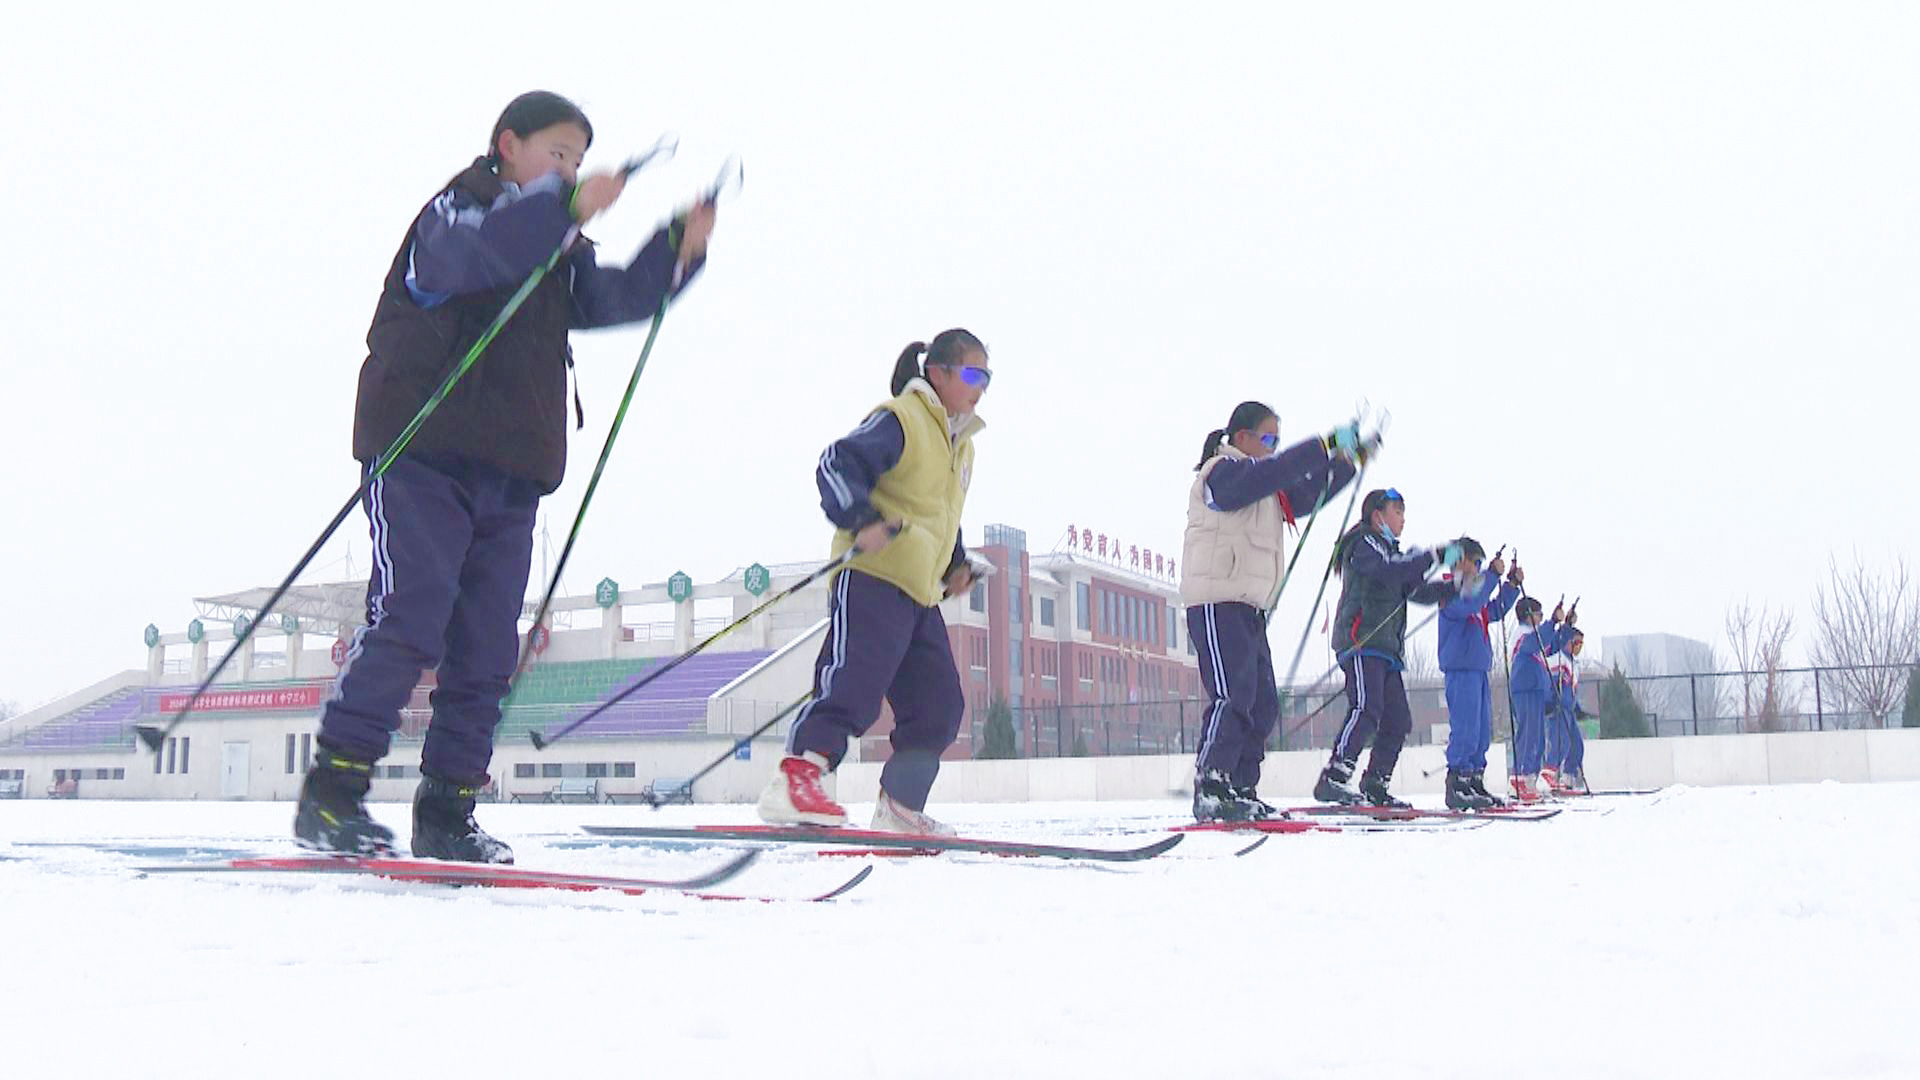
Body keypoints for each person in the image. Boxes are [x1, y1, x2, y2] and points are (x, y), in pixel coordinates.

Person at [296, 91, 716, 862]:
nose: (568, 169)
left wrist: (673, 251)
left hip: (511, 470)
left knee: (488, 644)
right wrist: (565, 208)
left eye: (578, 161)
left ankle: (448, 810)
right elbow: (470, 261)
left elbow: (611, 295)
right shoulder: (459, 212)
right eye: (555, 154)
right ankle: (333, 793)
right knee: (412, 614)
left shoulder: (555, 241)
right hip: (420, 450)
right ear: (507, 146)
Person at [757, 330, 992, 835]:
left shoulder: (961, 445)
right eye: (973, 373)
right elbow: (837, 463)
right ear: (939, 372)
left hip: (920, 594)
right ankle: (795, 781)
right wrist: (861, 518)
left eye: (987, 377)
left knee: (939, 703)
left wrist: (956, 566)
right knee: (854, 684)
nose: (982, 386)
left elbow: (939, 514)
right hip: (871, 577)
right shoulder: (902, 418)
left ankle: (899, 807)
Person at [1180, 402, 1366, 822]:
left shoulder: (1263, 486)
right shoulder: (1221, 474)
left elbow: (1304, 496)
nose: (1273, 448)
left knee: (1263, 702)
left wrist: (1346, 463)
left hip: (1250, 605)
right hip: (1216, 599)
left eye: (1277, 441)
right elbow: (1274, 473)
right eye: (1268, 439)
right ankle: (1211, 781)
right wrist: (1325, 444)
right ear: (1240, 438)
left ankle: (1240, 785)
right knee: (1233, 696)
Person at [1313, 489, 1464, 808]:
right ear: (1378, 515)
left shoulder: (1393, 554)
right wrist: (1433, 556)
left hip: (1386, 649)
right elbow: (1388, 570)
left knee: (1397, 720)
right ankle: (1335, 776)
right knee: (1367, 707)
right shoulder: (1364, 543)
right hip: (1362, 641)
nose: (1403, 519)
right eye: (1398, 512)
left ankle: (1376, 781)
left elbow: (1416, 590)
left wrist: (1456, 587)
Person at [1435, 539, 1521, 810]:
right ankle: (1458, 781)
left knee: (1482, 730)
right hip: (1461, 669)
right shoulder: (1451, 591)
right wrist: (1492, 577)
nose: (1479, 570)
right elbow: (1472, 604)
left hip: (1478, 667)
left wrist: (1510, 587)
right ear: (1459, 561)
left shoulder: (1474, 594)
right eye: (1476, 564)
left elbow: (1491, 610)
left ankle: (1474, 778)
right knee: (1466, 728)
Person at [1507, 597, 1573, 803]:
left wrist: (1566, 626)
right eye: (1539, 615)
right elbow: (1535, 643)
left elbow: (1551, 646)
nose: (1541, 618)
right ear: (1528, 615)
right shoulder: (1522, 635)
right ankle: (1519, 776)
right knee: (1528, 734)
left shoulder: (1534, 636)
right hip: (1524, 688)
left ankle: (1529, 778)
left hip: (1535, 689)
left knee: (1536, 735)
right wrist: (1552, 622)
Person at [1544, 627, 1591, 795]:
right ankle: (1550, 771)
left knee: (1576, 745)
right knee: (1560, 741)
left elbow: (1571, 689)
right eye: (1576, 642)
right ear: (1568, 642)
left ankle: (1568, 776)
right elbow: (1550, 681)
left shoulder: (1573, 664)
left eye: (1581, 643)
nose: (1579, 646)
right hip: (1558, 709)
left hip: (1568, 710)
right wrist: (1549, 702)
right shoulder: (1558, 660)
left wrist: (1577, 709)